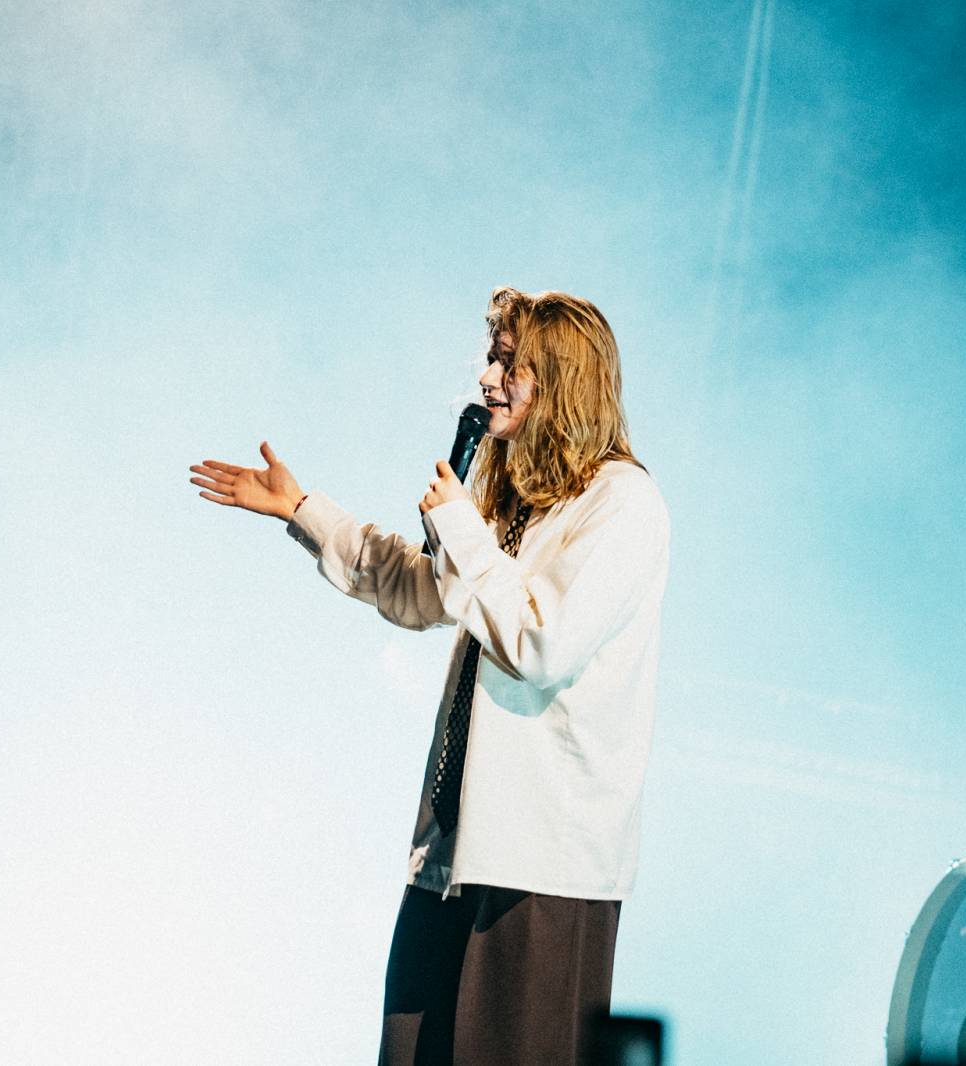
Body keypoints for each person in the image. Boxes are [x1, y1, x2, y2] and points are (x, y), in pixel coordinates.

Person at [188, 287, 670, 1066]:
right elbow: (421, 592)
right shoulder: (516, 501)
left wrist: (465, 530)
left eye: (508, 363)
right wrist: (302, 509)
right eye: (490, 359)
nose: (485, 379)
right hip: (455, 853)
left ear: (565, 377)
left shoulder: (622, 505)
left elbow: (541, 642)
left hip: (541, 873)